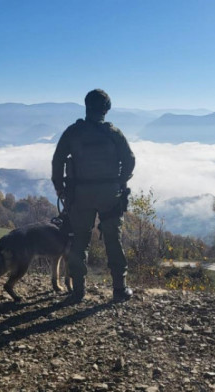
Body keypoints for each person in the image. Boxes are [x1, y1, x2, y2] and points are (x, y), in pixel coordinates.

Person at [51, 89, 135, 304]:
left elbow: (57, 160)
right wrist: (120, 181)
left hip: (80, 195)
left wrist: (60, 187)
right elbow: (130, 160)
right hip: (110, 195)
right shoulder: (114, 133)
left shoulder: (73, 132)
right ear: (106, 109)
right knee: (113, 241)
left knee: (79, 241)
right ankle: (119, 289)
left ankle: (78, 291)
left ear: (86, 107)